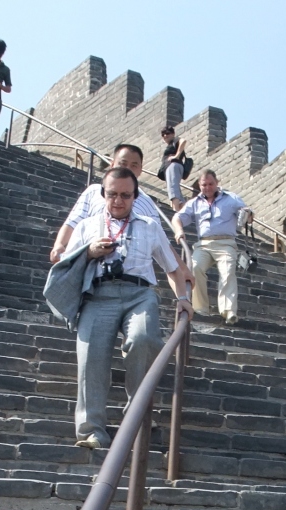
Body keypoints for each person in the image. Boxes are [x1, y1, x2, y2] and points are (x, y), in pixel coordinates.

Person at [61, 166, 193, 449]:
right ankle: (92, 430)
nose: (118, 201)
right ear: (102, 194)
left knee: (144, 339)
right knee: (91, 357)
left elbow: (172, 268)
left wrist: (182, 298)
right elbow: (66, 266)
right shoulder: (86, 226)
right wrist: (89, 252)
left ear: (135, 196)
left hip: (139, 294)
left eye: (125, 195)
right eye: (112, 194)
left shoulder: (150, 225)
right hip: (97, 295)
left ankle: (136, 417)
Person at [50, 144, 161, 264]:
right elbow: (73, 221)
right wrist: (59, 244)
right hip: (90, 263)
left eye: (134, 165)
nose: (127, 169)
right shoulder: (93, 191)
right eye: (123, 163)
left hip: (131, 269)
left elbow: (160, 240)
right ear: (112, 164)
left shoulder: (147, 203)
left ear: (140, 170)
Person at [171, 169, 253, 325]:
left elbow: (247, 215)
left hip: (226, 243)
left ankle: (228, 310)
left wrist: (248, 214)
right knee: (195, 267)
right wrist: (179, 230)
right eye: (204, 185)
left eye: (211, 184)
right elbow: (177, 217)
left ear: (217, 183)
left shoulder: (231, 198)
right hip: (204, 244)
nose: (207, 187)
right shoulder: (194, 203)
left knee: (227, 271)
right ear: (199, 185)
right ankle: (201, 308)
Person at [158, 125, 189, 212]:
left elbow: (183, 141)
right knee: (175, 187)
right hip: (173, 167)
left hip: (173, 166)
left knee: (172, 187)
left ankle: (175, 209)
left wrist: (176, 156)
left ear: (173, 134)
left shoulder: (175, 140)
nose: (165, 136)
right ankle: (183, 209)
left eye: (167, 133)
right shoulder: (171, 144)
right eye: (163, 134)